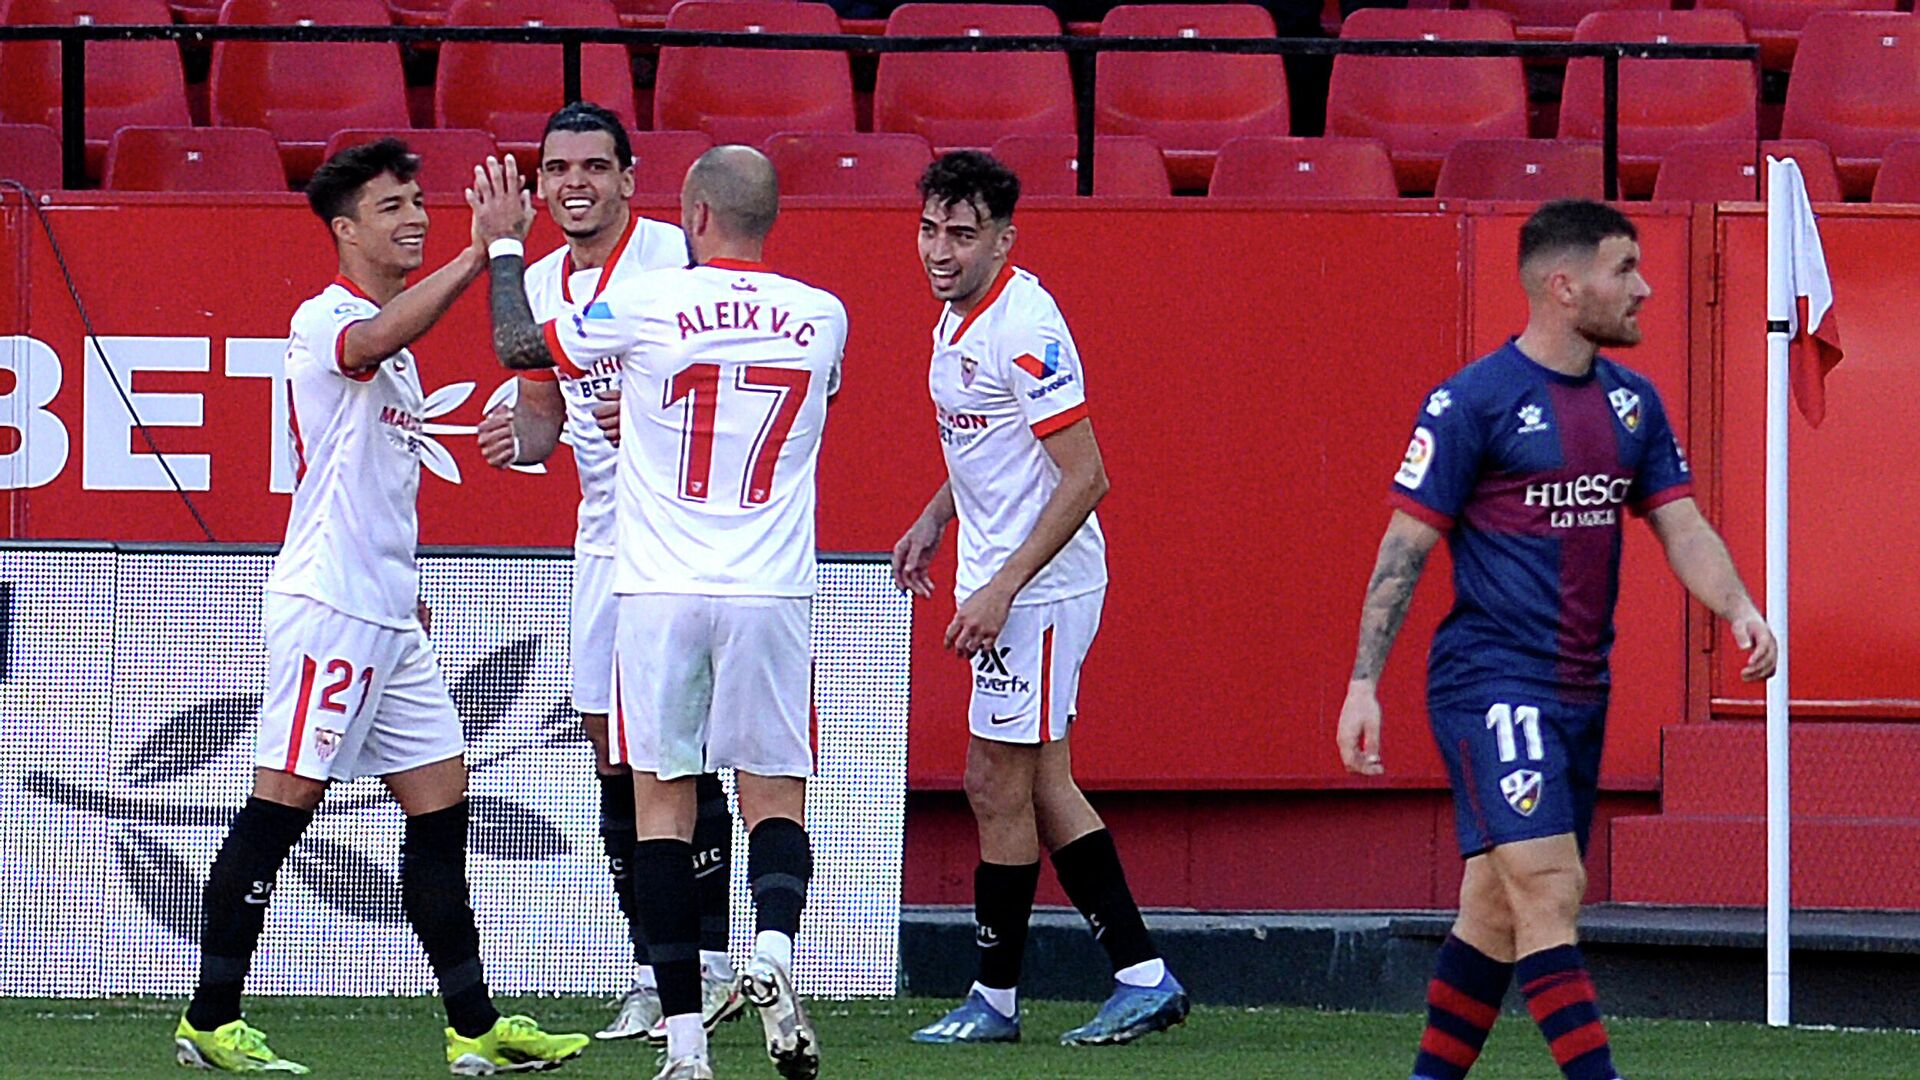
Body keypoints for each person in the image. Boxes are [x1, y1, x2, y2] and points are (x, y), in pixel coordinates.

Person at [171, 139, 589, 1076]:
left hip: (390, 617)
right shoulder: (328, 319)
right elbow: (373, 339)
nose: (413, 217)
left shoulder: (392, 352)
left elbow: (378, 479)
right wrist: (486, 253)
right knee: (282, 803)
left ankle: (474, 1027)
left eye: (418, 202)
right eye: (391, 206)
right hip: (331, 608)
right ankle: (211, 1015)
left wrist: (413, 590)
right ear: (345, 228)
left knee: (442, 807)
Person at [1336, 199, 1778, 1080]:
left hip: (1580, 692)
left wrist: (1738, 607)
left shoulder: (1632, 403)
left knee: (1494, 912)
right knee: (1550, 890)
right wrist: (1361, 685)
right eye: (1625, 270)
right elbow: (1404, 549)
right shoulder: (1472, 402)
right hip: (1492, 684)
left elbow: (1680, 524)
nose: (1646, 289)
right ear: (1563, 285)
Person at [474, 146, 846, 1080]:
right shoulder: (823, 315)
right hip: (769, 587)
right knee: (772, 793)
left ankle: (684, 1046)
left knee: (662, 811)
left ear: (694, 215)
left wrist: (508, 251)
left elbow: (525, 350)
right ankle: (771, 950)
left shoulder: (647, 303)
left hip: (658, 587)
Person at [894, 150, 1188, 1048]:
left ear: (1003, 239)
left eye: (962, 234)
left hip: (1041, 589)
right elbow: (996, 448)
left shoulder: (1023, 326)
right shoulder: (956, 318)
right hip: (1008, 577)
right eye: (930, 229)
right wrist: (938, 514)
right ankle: (1142, 975)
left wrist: (1001, 588)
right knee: (1042, 782)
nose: (940, 250)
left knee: (994, 783)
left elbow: (1086, 476)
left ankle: (996, 998)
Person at [473, 101, 743, 1044]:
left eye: (594, 166)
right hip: (603, 540)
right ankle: (653, 965)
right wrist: (522, 437)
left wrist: (673, 416)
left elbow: (751, 370)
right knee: (609, 749)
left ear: (631, 179)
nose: (574, 184)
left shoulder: (679, 260)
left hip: (691, 539)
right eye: (557, 170)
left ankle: (708, 963)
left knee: (678, 749)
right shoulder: (542, 282)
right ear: (540, 186)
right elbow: (549, 411)